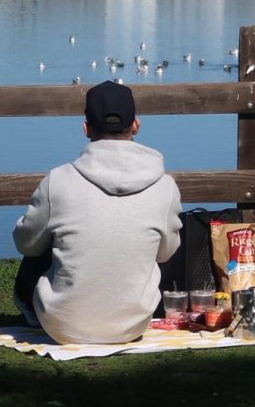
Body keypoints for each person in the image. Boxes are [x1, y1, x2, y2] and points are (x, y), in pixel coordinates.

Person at [12, 80, 182, 344]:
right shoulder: (165, 186)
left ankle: (37, 314)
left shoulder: (58, 181)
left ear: (86, 128)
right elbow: (167, 253)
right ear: (136, 125)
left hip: (62, 326)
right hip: (131, 326)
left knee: (42, 235)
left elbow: (25, 244)